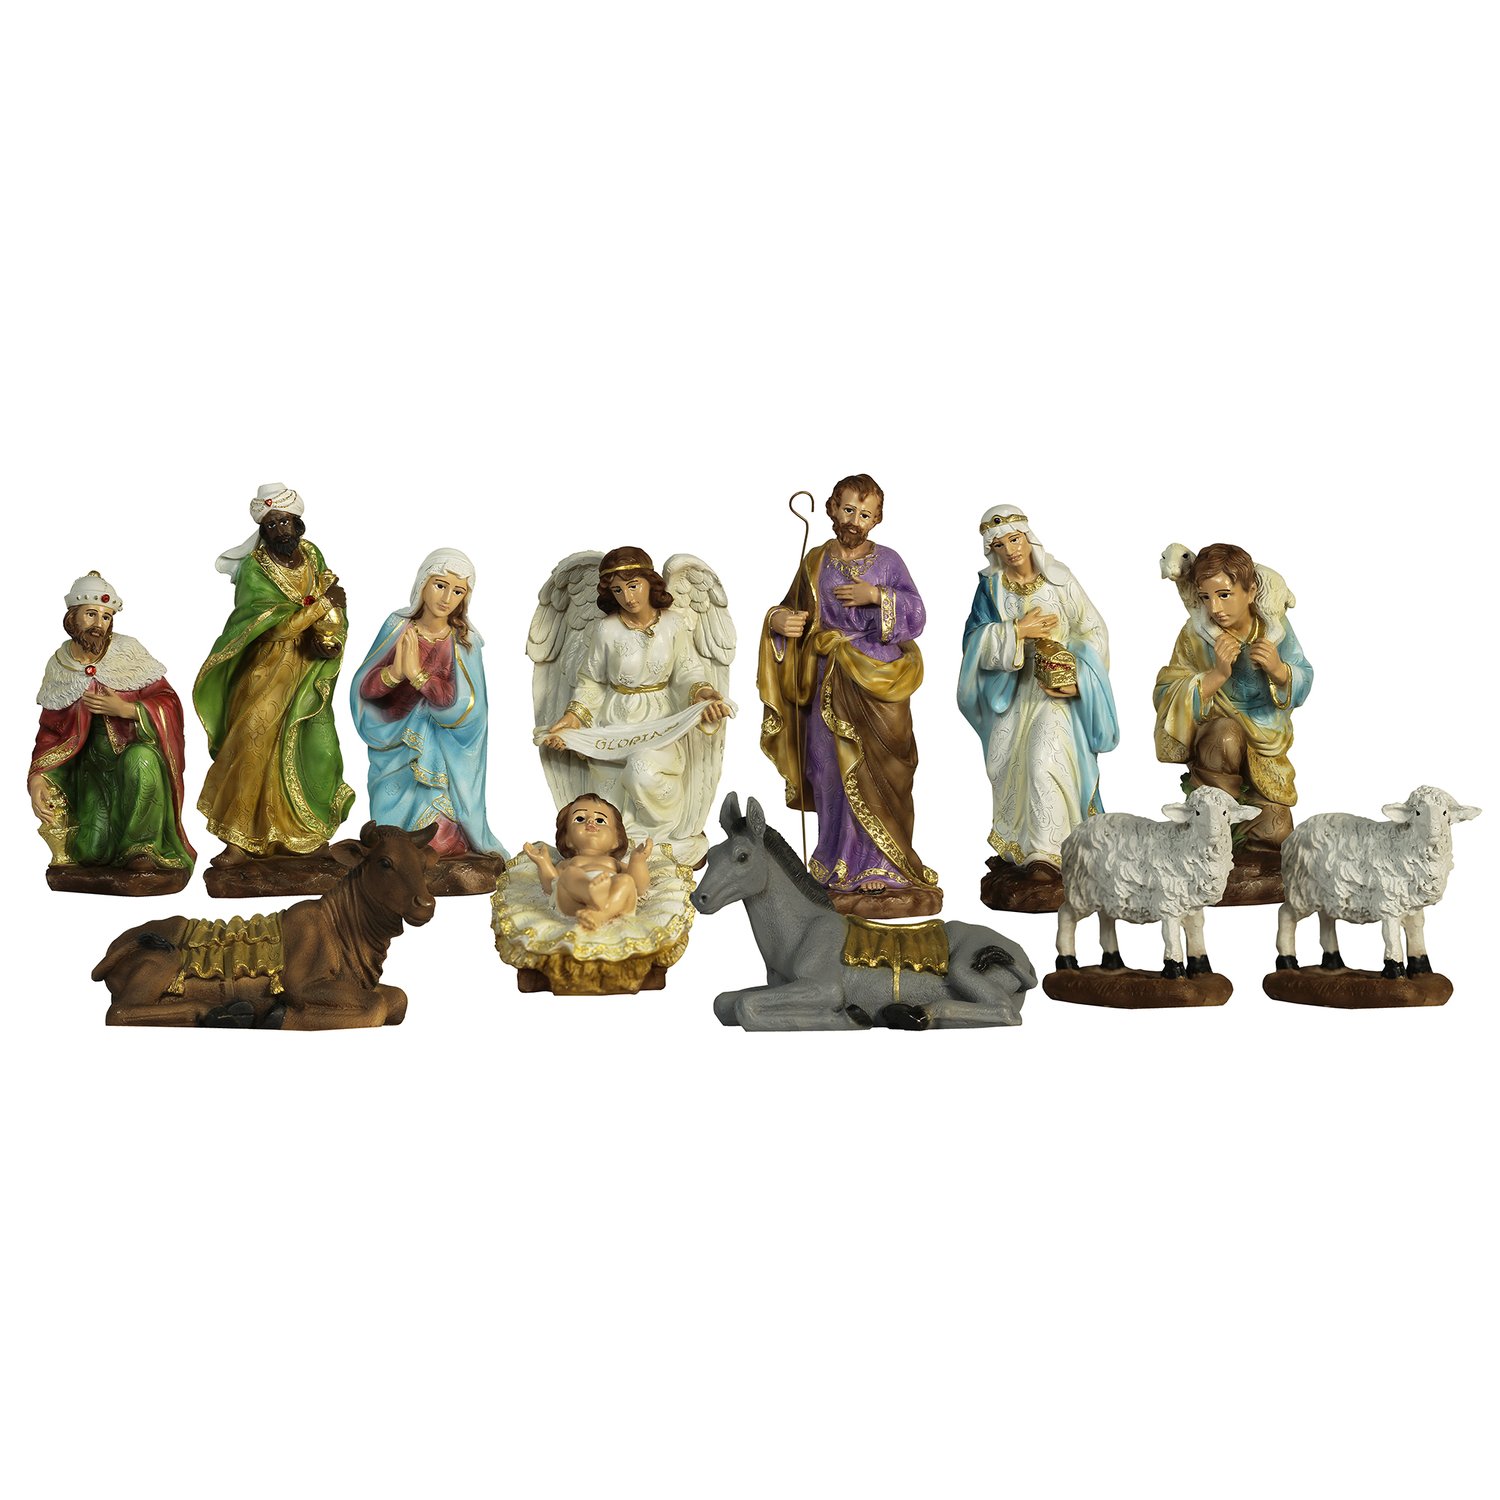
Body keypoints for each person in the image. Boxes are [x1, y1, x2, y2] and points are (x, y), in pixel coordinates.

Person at [758, 473, 941, 916]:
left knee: (885, 771)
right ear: (832, 509)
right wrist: (778, 621)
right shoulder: (816, 560)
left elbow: (917, 615)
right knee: (828, 769)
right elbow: (792, 607)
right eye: (848, 510)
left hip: (880, 680)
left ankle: (884, 866)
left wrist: (876, 595)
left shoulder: (889, 561)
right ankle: (835, 863)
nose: (855, 520)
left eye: (865, 514)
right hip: (827, 678)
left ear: (877, 520)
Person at [538, 546, 731, 867]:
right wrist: (574, 716)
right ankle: (618, 846)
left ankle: (660, 837)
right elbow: (591, 680)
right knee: (609, 798)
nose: (627, 597)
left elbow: (687, 671)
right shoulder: (606, 629)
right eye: (617, 590)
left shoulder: (673, 624)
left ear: (650, 583)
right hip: (613, 722)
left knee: (643, 771)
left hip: (660, 721)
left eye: (633, 585)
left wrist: (702, 693)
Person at [957, 508, 1118, 890]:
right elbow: (972, 642)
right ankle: (1021, 848)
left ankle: (1048, 854)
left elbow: (1094, 631)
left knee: (1044, 759)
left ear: (1028, 537)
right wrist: (1016, 631)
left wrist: (1077, 677)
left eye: (1015, 539)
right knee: (1008, 765)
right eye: (999, 545)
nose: (1010, 550)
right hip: (1011, 692)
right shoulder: (991, 588)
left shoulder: (1059, 580)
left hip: (1053, 693)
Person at [194, 482, 354, 861]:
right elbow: (272, 626)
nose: (280, 530)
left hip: (309, 670)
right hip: (268, 669)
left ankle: (305, 836)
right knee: (252, 743)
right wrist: (319, 608)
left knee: (316, 748)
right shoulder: (255, 568)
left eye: (285, 521)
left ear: (297, 522)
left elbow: (333, 598)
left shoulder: (311, 554)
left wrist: (329, 636)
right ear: (262, 529)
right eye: (271, 524)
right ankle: (237, 841)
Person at [30, 572, 194, 882]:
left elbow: (169, 701)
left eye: (106, 617)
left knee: (140, 760)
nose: (99, 623)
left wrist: (129, 710)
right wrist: (37, 775)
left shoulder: (128, 652)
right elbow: (51, 729)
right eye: (91, 614)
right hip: (91, 770)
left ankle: (143, 849)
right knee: (90, 852)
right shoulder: (59, 664)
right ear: (73, 617)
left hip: (134, 755)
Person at [1154, 541, 1313, 849]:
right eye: (1205, 597)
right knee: (1225, 735)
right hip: (1217, 743)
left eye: (1224, 595)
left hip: (1265, 740)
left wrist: (1279, 670)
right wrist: (1216, 676)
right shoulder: (1196, 633)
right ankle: (1213, 827)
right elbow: (1166, 689)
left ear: (1250, 592)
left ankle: (1244, 834)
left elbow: (1304, 675)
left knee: (1276, 832)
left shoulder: (1274, 629)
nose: (1215, 607)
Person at [351, 548, 505, 862]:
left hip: (442, 750)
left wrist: (418, 677)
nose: (447, 598)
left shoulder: (464, 641)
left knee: (438, 839)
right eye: (440, 585)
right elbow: (365, 689)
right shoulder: (398, 626)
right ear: (423, 583)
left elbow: (466, 706)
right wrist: (395, 674)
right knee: (388, 834)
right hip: (395, 742)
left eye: (458, 591)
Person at [523, 794, 652, 930]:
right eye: (580, 819)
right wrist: (543, 863)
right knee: (569, 874)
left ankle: (599, 915)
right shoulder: (569, 863)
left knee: (626, 880)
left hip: (612, 898)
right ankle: (589, 892)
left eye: (600, 820)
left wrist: (637, 861)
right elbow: (551, 885)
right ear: (567, 839)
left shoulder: (614, 863)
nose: (591, 822)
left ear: (616, 840)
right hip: (575, 901)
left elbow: (639, 887)